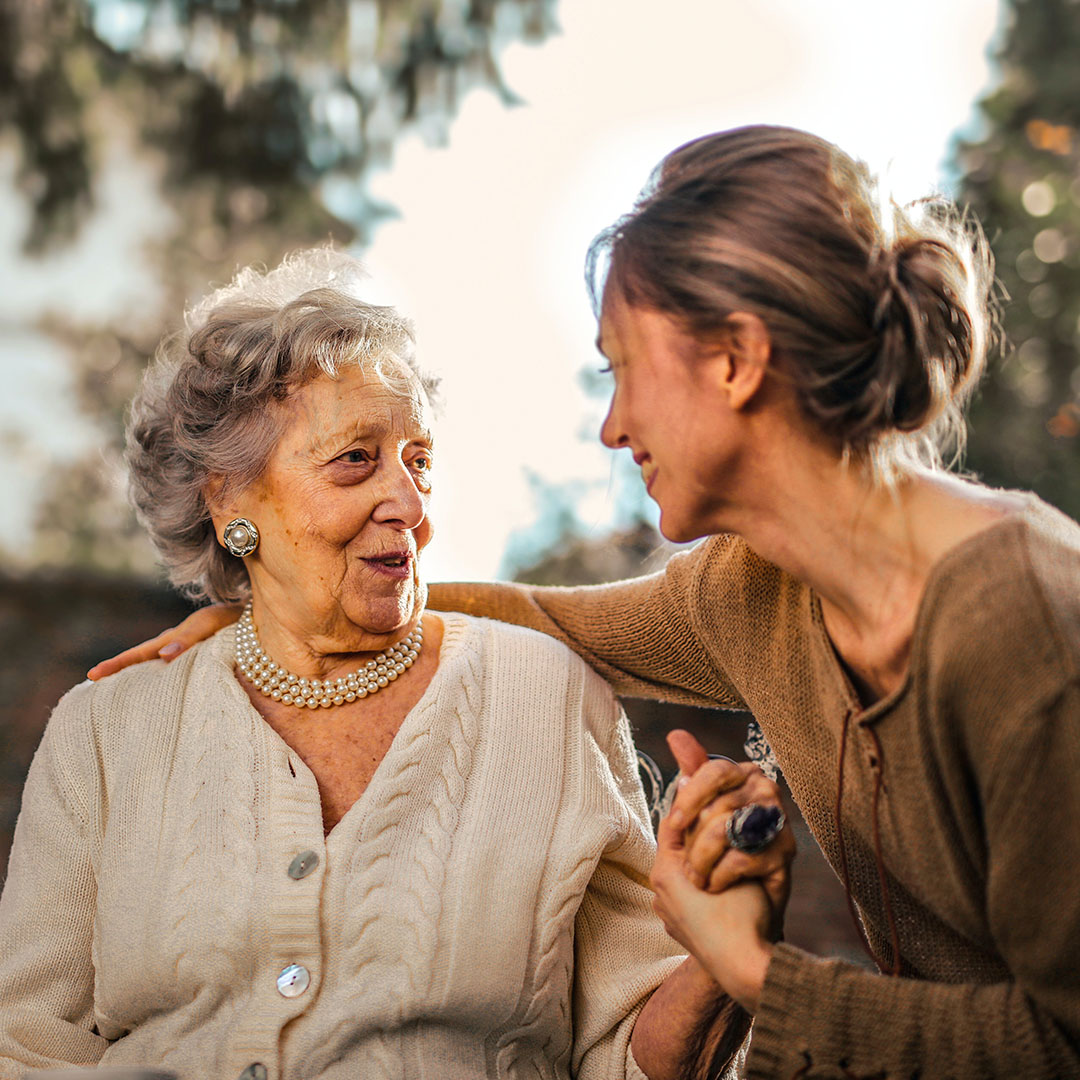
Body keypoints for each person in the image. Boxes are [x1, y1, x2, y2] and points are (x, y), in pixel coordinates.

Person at [106, 125, 1080, 1078]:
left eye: (621, 368)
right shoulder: (752, 593)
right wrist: (282, 606)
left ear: (736, 360)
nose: (612, 428)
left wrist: (752, 970)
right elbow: (544, 618)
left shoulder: (1022, 623)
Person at [0, 249, 775, 1080]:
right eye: (356, 460)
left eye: (420, 462)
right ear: (229, 499)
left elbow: (630, 1061)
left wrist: (717, 960)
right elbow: (28, 1048)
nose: (409, 505)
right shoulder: (107, 731)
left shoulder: (546, 699)